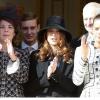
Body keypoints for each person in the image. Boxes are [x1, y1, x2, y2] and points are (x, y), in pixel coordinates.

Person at [30, 16, 78, 97]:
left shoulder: (72, 56)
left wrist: (56, 73)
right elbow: (29, 88)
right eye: (50, 31)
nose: (53, 34)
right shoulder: (35, 56)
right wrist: (46, 76)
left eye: (57, 31)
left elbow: (73, 87)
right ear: (46, 34)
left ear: (62, 35)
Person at [0, 6, 29, 97]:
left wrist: (13, 57)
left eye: (10, 27)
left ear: (14, 32)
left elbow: (23, 79)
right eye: (2, 27)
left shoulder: (23, 53)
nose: (6, 30)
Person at [72, 14, 100, 97]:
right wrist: (84, 58)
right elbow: (77, 81)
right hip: (89, 95)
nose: (99, 32)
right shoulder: (81, 49)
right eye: (97, 29)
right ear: (92, 30)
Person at [19, 12, 40, 97]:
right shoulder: (12, 50)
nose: (29, 32)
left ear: (38, 28)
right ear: (20, 29)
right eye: (25, 28)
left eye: (32, 28)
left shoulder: (46, 51)